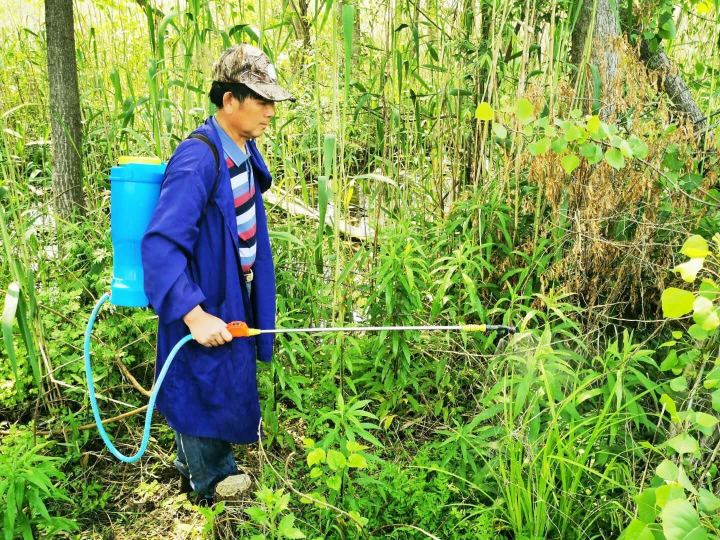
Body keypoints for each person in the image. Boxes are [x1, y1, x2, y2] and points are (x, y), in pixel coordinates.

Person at [141, 44, 295, 505]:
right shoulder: (198, 159)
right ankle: (210, 483)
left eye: (272, 101)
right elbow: (161, 245)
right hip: (201, 298)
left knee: (222, 376)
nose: (271, 111)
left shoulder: (242, 149)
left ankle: (192, 464)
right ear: (229, 101)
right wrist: (193, 315)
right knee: (201, 380)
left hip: (231, 287)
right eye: (261, 100)